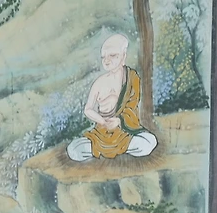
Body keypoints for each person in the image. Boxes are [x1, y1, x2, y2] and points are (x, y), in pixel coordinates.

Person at [66, 34, 158, 162]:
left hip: (124, 131)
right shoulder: (99, 82)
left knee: (149, 142)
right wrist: (103, 122)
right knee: (73, 149)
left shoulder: (131, 78)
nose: (107, 60)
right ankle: (109, 149)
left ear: (123, 56)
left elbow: (131, 105)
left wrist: (119, 121)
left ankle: (117, 148)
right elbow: (88, 109)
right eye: (103, 57)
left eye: (113, 55)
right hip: (102, 132)